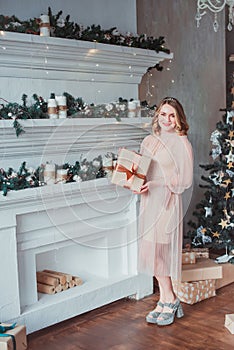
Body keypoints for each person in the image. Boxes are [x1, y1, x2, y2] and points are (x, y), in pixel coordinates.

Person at [135, 96, 193, 326]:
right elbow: (143, 170)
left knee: (158, 251)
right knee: (150, 252)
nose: (167, 119)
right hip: (150, 201)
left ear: (178, 118)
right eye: (163, 114)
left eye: (172, 115)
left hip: (168, 202)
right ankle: (167, 298)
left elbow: (185, 180)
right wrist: (132, 177)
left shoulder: (182, 143)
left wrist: (158, 184)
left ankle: (168, 299)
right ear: (157, 116)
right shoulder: (149, 141)